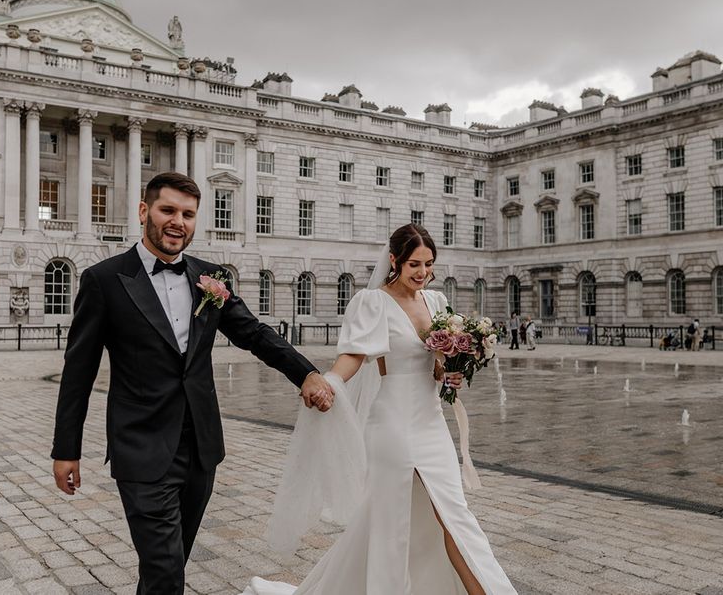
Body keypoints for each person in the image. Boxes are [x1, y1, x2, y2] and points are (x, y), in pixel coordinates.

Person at [51, 172, 333, 594]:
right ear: (145, 211)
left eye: (187, 214)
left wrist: (307, 372)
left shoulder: (210, 278)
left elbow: (254, 334)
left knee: (169, 562)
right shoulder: (105, 280)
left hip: (201, 448)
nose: (177, 221)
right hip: (141, 446)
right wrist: (66, 449)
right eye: (168, 210)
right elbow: (79, 371)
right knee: (165, 568)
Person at [241, 224, 517, 595]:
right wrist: (330, 383)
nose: (422, 272)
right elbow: (354, 356)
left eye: (429, 264)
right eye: (414, 264)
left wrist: (451, 372)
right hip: (393, 426)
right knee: (392, 526)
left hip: (431, 422)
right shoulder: (373, 302)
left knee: (455, 517)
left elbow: (436, 366)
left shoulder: (436, 303)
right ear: (394, 261)